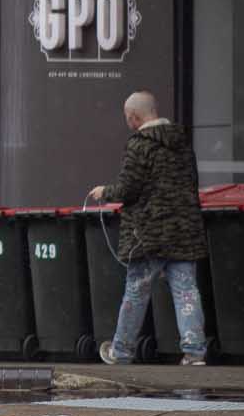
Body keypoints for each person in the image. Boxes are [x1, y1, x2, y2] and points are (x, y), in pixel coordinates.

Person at [87, 90, 211, 366]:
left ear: (134, 116)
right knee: (186, 291)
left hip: (148, 233)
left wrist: (103, 192)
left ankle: (121, 351)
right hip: (183, 230)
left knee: (136, 292)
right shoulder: (182, 143)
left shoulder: (139, 145)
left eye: (127, 117)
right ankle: (194, 352)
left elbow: (128, 189)